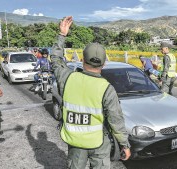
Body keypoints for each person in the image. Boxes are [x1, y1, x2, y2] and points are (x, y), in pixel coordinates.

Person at [51, 16, 131, 169]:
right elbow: (116, 120)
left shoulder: (67, 78)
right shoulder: (107, 88)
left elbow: (56, 59)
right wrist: (124, 145)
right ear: (104, 63)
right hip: (99, 142)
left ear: (82, 60)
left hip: (75, 142)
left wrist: (62, 35)